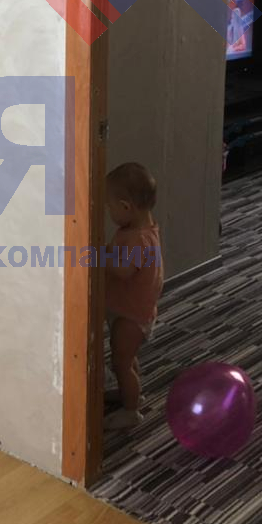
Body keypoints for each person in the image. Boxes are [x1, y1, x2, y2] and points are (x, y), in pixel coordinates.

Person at [103, 162, 164, 431]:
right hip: (131, 309)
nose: (108, 212)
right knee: (126, 359)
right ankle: (131, 393)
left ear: (126, 207)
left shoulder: (140, 239)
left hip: (132, 316)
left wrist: (96, 255)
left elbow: (124, 270)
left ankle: (131, 411)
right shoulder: (137, 230)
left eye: (109, 207)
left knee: (121, 362)